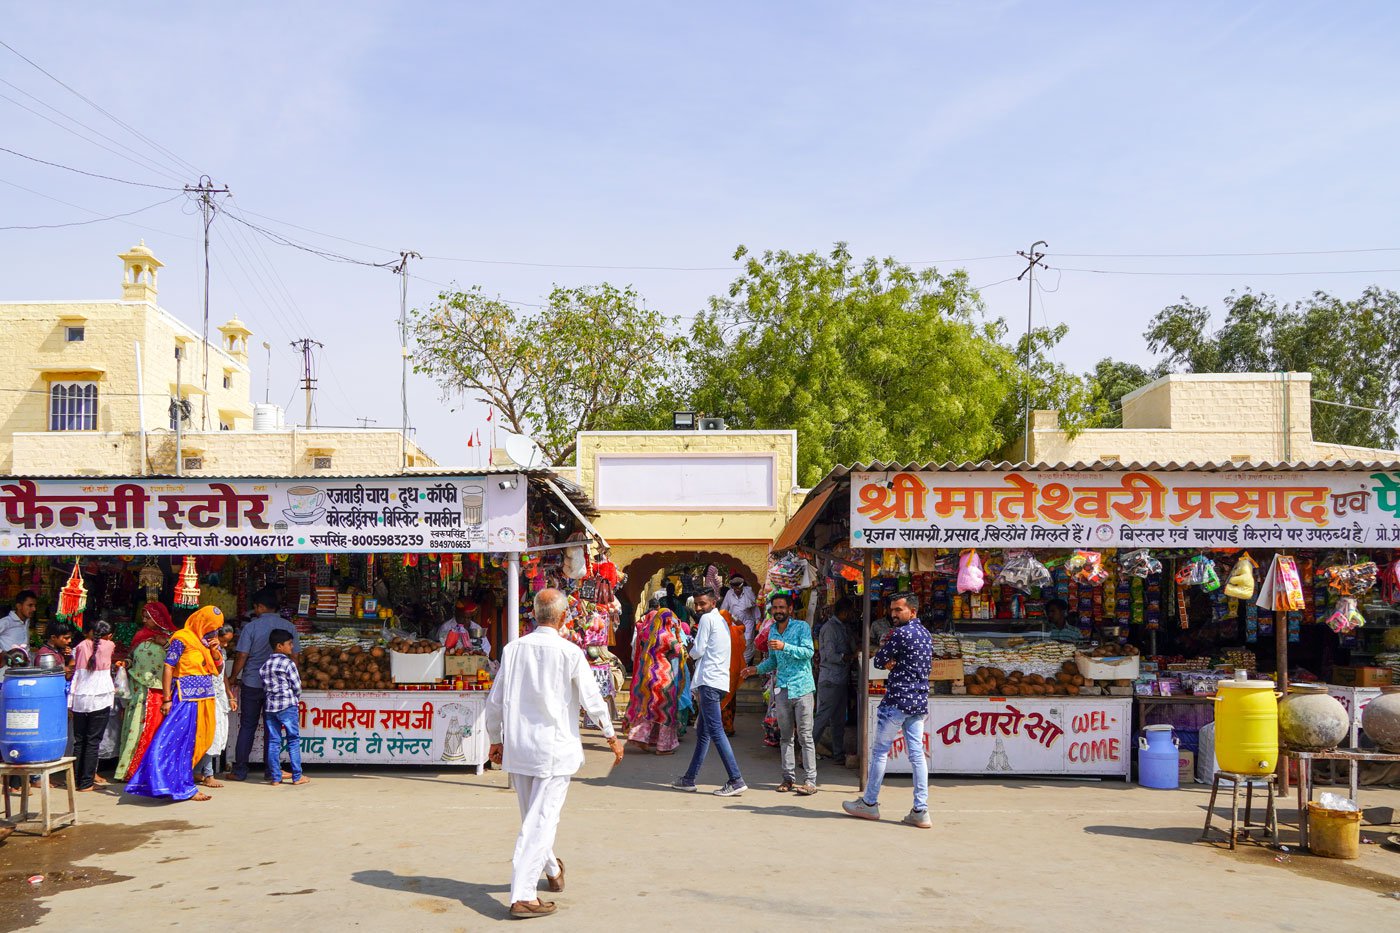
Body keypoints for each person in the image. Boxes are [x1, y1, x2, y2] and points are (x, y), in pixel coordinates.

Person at [484, 588, 624, 920]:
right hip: (553, 749)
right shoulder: (569, 652)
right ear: (562, 618)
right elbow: (592, 699)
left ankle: (551, 869)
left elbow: (495, 701)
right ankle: (523, 895)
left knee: (534, 818)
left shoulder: (513, 649)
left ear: (534, 615)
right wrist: (610, 735)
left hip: (520, 748)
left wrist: (495, 738)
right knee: (541, 821)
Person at [843, 593, 934, 829]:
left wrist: (891, 660)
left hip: (896, 701)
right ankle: (920, 809)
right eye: (892, 610)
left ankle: (870, 802)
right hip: (917, 701)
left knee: (880, 752)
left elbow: (879, 660)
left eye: (898, 610)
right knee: (917, 756)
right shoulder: (925, 634)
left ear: (912, 611)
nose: (893, 614)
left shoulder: (901, 634)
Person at [125, 606, 226, 803]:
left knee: (198, 742)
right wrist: (166, 699)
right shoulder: (182, 638)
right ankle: (181, 786)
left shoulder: (206, 642)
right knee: (176, 742)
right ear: (201, 622)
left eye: (216, 628)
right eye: (211, 626)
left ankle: (177, 783)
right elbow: (169, 667)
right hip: (185, 699)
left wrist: (214, 650)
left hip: (205, 698)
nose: (213, 631)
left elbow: (218, 668)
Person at [672, 589, 746, 796]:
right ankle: (689, 779)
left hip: (709, 682)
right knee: (704, 733)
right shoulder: (722, 621)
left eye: (702, 603)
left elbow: (699, 650)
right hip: (718, 681)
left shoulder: (707, 620)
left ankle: (736, 779)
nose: (698, 608)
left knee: (715, 731)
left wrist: (686, 649)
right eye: (696, 604)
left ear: (713, 603)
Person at [740, 593, 817, 795]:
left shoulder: (801, 627)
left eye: (782, 607)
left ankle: (810, 781)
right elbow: (773, 662)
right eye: (775, 608)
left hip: (802, 688)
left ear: (790, 609)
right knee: (785, 737)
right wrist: (755, 669)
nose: (778, 611)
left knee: (805, 737)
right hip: (782, 689)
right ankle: (787, 779)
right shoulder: (772, 630)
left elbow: (809, 653)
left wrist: (786, 646)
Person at [227, 588, 300, 782]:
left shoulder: (251, 627)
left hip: (252, 683)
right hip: (277, 688)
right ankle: (271, 771)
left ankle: (240, 770)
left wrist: (233, 676)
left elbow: (242, 655)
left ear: (260, 607)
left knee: (247, 726)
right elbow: (295, 657)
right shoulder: (289, 627)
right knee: (272, 730)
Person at [115, 602, 177, 781]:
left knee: (150, 727)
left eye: (148, 617)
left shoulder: (171, 638)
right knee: (133, 726)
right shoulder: (140, 636)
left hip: (157, 690)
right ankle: (127, 769)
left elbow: (177, 660)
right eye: (143, 617)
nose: (144, 620)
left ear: (158, 619)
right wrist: (125, 663)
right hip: (137, 689)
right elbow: (131, 657)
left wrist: (164, 644)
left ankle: (146, 769)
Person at [625, 601, 687, 754]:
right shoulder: (668, 636)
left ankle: (641, 738)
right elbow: (680, 653)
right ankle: (663, 747)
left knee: (650, 708)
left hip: (649, 676)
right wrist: (678, 634)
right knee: (666, 712)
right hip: (664, 677)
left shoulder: (650, 635)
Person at [70, 621, 116, 792]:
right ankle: (87, 782)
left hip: (80, 698)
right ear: (109, 635)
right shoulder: (109, 645)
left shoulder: (81, 645)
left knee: (80, 740)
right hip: (100, 697)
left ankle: (76, 780)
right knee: (93, 741)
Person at [260, 629, 308, 787]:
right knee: (293, 740)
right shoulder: (288, 664)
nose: (292, 646)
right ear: (279, 646)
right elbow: (297, 686)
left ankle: (275, 777)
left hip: (270, 707)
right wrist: (295, 698)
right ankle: (297, 776)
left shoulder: (265, 665)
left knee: (274, 741)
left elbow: (265, 686)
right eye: (289, 644)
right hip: (287, 706)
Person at [813, 599, 856, 764]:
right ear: (844, 612)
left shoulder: (843, 627)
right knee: (823, 718)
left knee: (838, 720)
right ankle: (806, 753)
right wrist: (848, 657)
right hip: (830, 679)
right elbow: (830, 656)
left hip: (840, 679)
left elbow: (850, 645)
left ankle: (838, 754)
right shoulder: (830, 629)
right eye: (850, 612)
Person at [196, 625, 237, 789]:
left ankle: (199, 771)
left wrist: (230, 695)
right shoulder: (204, 651)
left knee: (215, 733)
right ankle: (208, 774)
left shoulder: (220, 652)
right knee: (209, 734)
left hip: (218, 695)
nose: (226, 645)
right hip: (208, 696)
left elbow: (223, 675)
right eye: (224, 641)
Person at [719, 573, 759, 662]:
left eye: (738, 588)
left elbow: (755, 606)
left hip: (748, 621)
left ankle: (745, 663)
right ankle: (738, 663)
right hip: (735, 622)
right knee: (735, 643)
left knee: (747, 642)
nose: (736, 590)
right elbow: (724, 608)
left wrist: (758, 620)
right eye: (734, 588)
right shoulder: (729, 593)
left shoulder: (749, 591)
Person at [721, 609, 746, 736]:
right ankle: (729, 726)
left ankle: (722, 727)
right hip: (734, 672)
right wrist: (734, 617)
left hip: (721, 672)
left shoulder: (718, 633)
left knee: (721, 700)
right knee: (730, 700)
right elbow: (744, 626)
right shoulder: (735, 630)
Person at [0, 590, 38, 659]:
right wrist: (2, 654)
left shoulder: (27, 622)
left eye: (35, 606)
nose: (34, 609)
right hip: (8, 668)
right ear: (19, 606)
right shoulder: (6, 622)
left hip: (25, 667)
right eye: (30, 605)